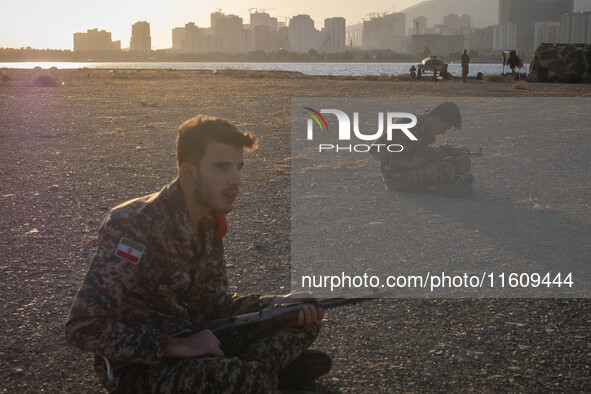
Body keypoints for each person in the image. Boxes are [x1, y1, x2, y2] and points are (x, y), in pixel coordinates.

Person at [65, 115, 330, 393]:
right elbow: (83, 327)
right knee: (236, 378)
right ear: (188, 172)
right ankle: (258, 375)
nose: (236, 180)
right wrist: (173, 345)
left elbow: (211, 303)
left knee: (302, 322)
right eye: (222, 167)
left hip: (199, 337)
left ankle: (256, 376)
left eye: (239, 167)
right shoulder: (134, 224)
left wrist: (273, 305)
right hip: (142, 367)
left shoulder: (208, 220)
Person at [369, 102, 474, 198]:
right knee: (444, 168)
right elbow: (374, 150)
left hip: (416, 169)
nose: (442, 133)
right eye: (445, 128)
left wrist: (444, 152)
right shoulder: (407, 123)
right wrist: (407, 163)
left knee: (462, 158)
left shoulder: (426, 128)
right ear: (437, 119)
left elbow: (418, 151)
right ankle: (445, 184)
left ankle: (454, 181)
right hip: (397, 177)